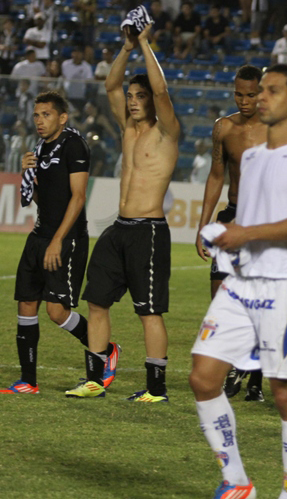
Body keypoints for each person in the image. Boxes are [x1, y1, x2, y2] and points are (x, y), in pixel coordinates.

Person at [189, 63, 287, 499]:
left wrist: (244, 233)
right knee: (202, 377)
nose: (261, 97)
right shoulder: (251, 155)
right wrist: (225, 239)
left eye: (272, 91)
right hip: (243, 282)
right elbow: (250, 219)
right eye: (261, 91)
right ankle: (237, 483)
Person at [66, 23, 179, 401]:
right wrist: (128, 46)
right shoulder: (127, 128)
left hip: (148, 230)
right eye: (132, 96)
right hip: (119, 228)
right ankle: (95, 380)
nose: (132, 101)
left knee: (148, 312)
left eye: (139, 96)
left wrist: (146, 42)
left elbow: (161, 89)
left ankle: (156, 388)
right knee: (95, 301)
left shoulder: (167, 132)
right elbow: (110, 86)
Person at [0, 91, 102, 394]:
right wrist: (27, 172)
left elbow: (78, 196)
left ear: (62, 117)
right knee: (26, 302)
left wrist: (58, 239)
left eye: (46, 114)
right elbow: (39, 196)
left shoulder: (74, 145)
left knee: (56, 311)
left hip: (66, 238)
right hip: (39, 235)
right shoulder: (39, 148)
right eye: (36, 115)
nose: (39, 121)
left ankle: (104, 351)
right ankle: (28, 381)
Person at [195, 64, 268, 402]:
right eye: (239, 93)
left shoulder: (276, 130)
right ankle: (240, 366)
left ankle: (253, 378)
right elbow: (216, 176)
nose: (244, 100)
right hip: (231, 217)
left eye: (250, 94)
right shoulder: (223, 128)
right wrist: (203, 225)